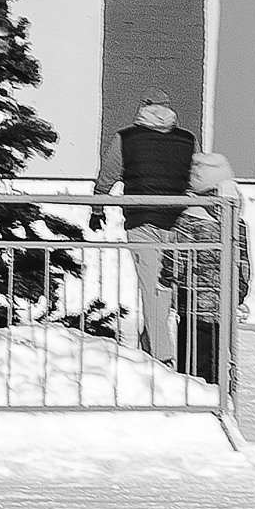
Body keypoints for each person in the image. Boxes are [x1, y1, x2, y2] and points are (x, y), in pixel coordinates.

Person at [97, 88, 197, 361]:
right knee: (163, 290)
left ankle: (162, 358)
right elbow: (196, 180)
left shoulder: (125, 138)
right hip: (177, 223)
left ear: (143, 107)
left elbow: (107, 176)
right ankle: (150, 347)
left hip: (141, 221)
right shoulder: (187, 140)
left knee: (153, 289)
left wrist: (96, 208)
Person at [162, 151, 247, 385]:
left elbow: (175, 256)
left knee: (192, 358)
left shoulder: (188, 217)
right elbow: (243, 261)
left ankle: (194, 399)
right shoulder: (235, 218)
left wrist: (167, 278)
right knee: (220, 356)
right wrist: (240, 290)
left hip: (192, 301)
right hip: (223, 302)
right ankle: (219, 398)